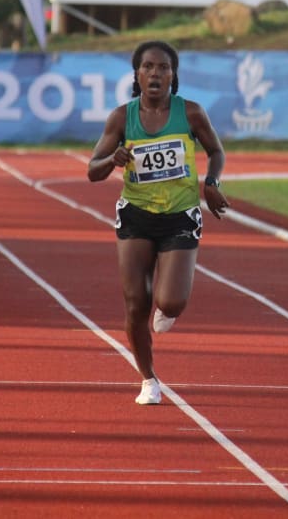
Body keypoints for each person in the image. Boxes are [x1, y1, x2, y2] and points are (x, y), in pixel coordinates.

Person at [86, 40, 228, 406]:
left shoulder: (192, 113)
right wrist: (112, 160)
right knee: (135, 303)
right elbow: (93, 170)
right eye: (148, 67)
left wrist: (211, 182)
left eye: (163, 68)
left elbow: (216, 151)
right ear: (137, 74)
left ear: (173, 75)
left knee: (171, 302)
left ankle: (168, 308)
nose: (155, 73)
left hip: (180, 214)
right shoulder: (122, 117)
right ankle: (148, 379)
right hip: (136, 214)